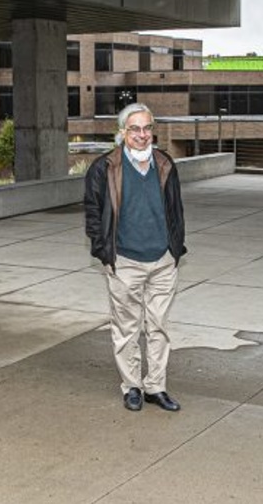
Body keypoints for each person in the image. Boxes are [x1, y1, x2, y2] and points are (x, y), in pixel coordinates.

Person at [84, 103, 187, 412]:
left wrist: (175, 247)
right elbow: (92, 213)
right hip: (125, 260)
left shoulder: (165, 163)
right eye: (135, 129)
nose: (142, 135)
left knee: (159, 327)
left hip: (162, 260)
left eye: (147, 128)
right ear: (122, 133)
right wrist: (104, 252)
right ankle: (132, 387)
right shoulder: (104, 168)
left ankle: (156, 387)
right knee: (127, 328)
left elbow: (176, 210)